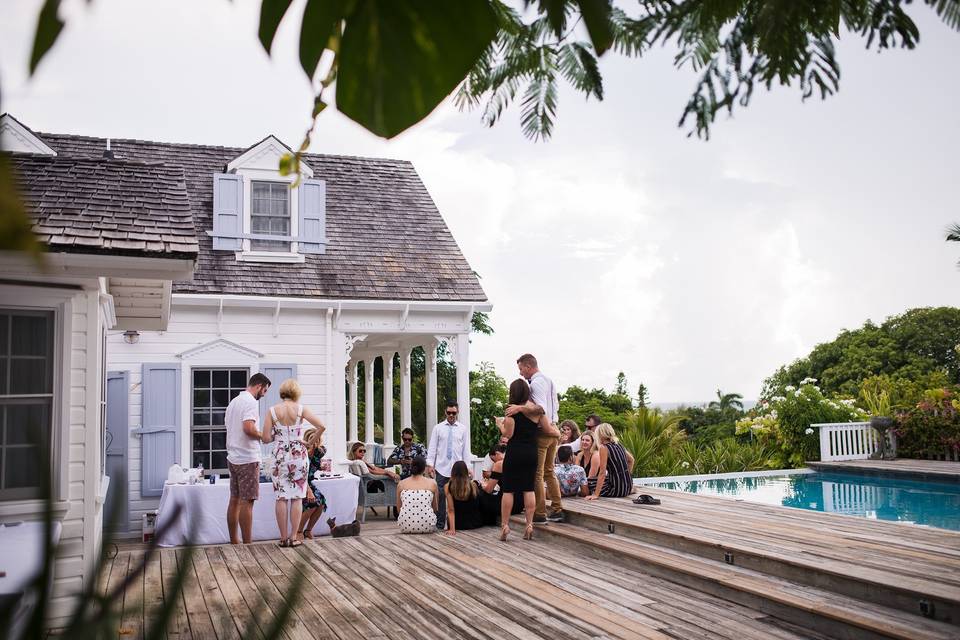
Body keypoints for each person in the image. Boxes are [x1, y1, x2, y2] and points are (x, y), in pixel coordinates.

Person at [261, 378, 327, 547]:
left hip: (280, 454)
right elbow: (321, 426)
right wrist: (310, 442)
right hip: (298, 454)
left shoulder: (272, 411)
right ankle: (294, 537)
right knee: (297, 497)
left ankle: (283, 538)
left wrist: (278, 436)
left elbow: (266, 438)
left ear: (282, 392)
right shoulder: (300, 409)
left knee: (281, 497)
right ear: (296, 393)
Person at [511, 353, 564, 523]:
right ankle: (557, 508)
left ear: (528, 366)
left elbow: (541, 409)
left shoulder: (536, 383)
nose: (521, 373)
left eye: (521, 369)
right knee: (549, 471)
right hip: (553, 427)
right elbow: (555, 406)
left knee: (538, 474)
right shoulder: (549, 380)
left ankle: (540, 513)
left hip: (543, 431)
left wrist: (519, 408)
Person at [225, 372, 271, 545]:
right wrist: (264, 436)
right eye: (264, 391)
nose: (264, 394)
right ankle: (248, 544)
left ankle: (234, 541)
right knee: (247, 502)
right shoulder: (250, 402)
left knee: (234, 500)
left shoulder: (234, 402)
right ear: (259, 386)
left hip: (233, 457)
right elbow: (248, 428)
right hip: (247, 458)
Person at [498, 379, 539, 541]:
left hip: (515, 453)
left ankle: (505, 526)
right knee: (528, 489)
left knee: (508, 490)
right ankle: (529, 525)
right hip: (531, 453)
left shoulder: (511, 413)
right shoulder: (534, 412)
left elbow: (507, 435)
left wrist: (500, 425)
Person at [426, 401, 471, 531]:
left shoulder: (463, 429)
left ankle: (457, 524)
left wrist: (468, 467)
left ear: (457, 413)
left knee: (460, 496)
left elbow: (465, 450)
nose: (451, 415)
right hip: (442, 467)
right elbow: (433, 448)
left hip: (458, 470)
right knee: (440, 496)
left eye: (454, 413)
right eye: (449, 412)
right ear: (445, 412)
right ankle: (440, 524)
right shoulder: (438, 428)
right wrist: (430, 465)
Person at [587, 423, 636, 499]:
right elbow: (631, 460)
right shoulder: (619, 444)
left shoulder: (604, 448)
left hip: (616, 489)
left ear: (600, 434)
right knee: (604, 478)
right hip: (628, 486)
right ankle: (629, 488)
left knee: (590, 481)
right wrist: (626, 476)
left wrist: (596, 495)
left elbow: (602, 472)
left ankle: (595, 492)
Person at [479, 442, 523, 526]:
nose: (493, 461)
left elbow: (489, 490)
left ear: (497, 454)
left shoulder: (499, 464)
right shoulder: (517, 459)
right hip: (520, 504)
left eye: (493, 459)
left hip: (508, 505)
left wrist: (482, 486)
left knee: (482, 496)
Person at [296, 427, 328, 541]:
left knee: (321, 503)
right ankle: (298, 531)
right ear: (308, 439)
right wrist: (309, 491)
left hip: (309, 481)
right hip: (300, 481)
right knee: (313, 502)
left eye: (318, 439)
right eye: (312, 439)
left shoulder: (319, 452)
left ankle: (308, 530)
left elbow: (315, 464)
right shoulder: (301, 452)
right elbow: (301, 473)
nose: (316, 441)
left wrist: (320, 467)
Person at [396, 456, 438, 534]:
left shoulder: (401, 484)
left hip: (405, 525)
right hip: (428, 525)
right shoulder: (432, 483)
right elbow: (435, 508)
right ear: (424, 468)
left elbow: (399, 509)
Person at [444, 460, 483, 536]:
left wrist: (452, 529)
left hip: (458, 524)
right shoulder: (473, 485)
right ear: (466, 472)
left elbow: (451, 510)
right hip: (475, 523)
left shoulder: (448, 486)